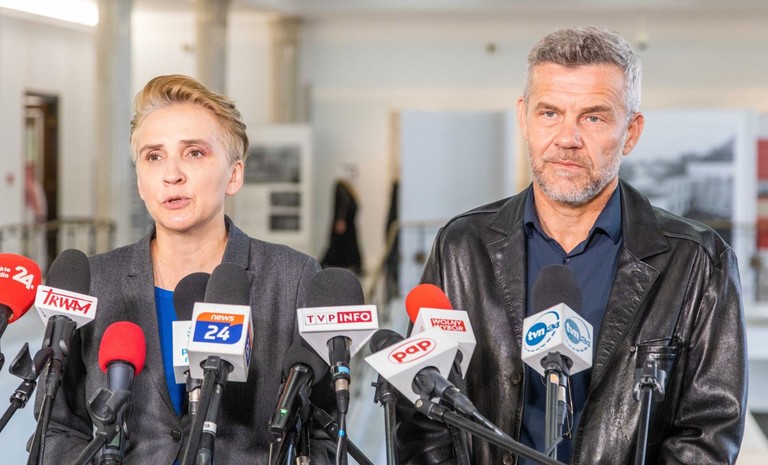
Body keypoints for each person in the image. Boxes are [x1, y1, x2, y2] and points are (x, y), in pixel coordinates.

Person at [397, 27, 747, 464]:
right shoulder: (461, 247)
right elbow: (422, 416)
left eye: (593, 118)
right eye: (550, 113)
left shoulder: (698, 261)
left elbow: (708, 434)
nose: (567, 138)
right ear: (524, 118)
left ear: (631, 132)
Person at [38, 75, 334, 464]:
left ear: (234, 175)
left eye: (194, 153)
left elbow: (324, 433)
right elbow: (58, 428)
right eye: (154, 156)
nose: (172, 174)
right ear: (140, 181)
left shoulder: (293, 278)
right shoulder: (94, 282)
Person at [321, 163, 363, 275]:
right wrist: (341, 219)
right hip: (345, 224)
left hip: (348, 223)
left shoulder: (347, 187)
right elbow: (343, 204)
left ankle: (354, 265)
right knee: (338, 246)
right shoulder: (341, 186)